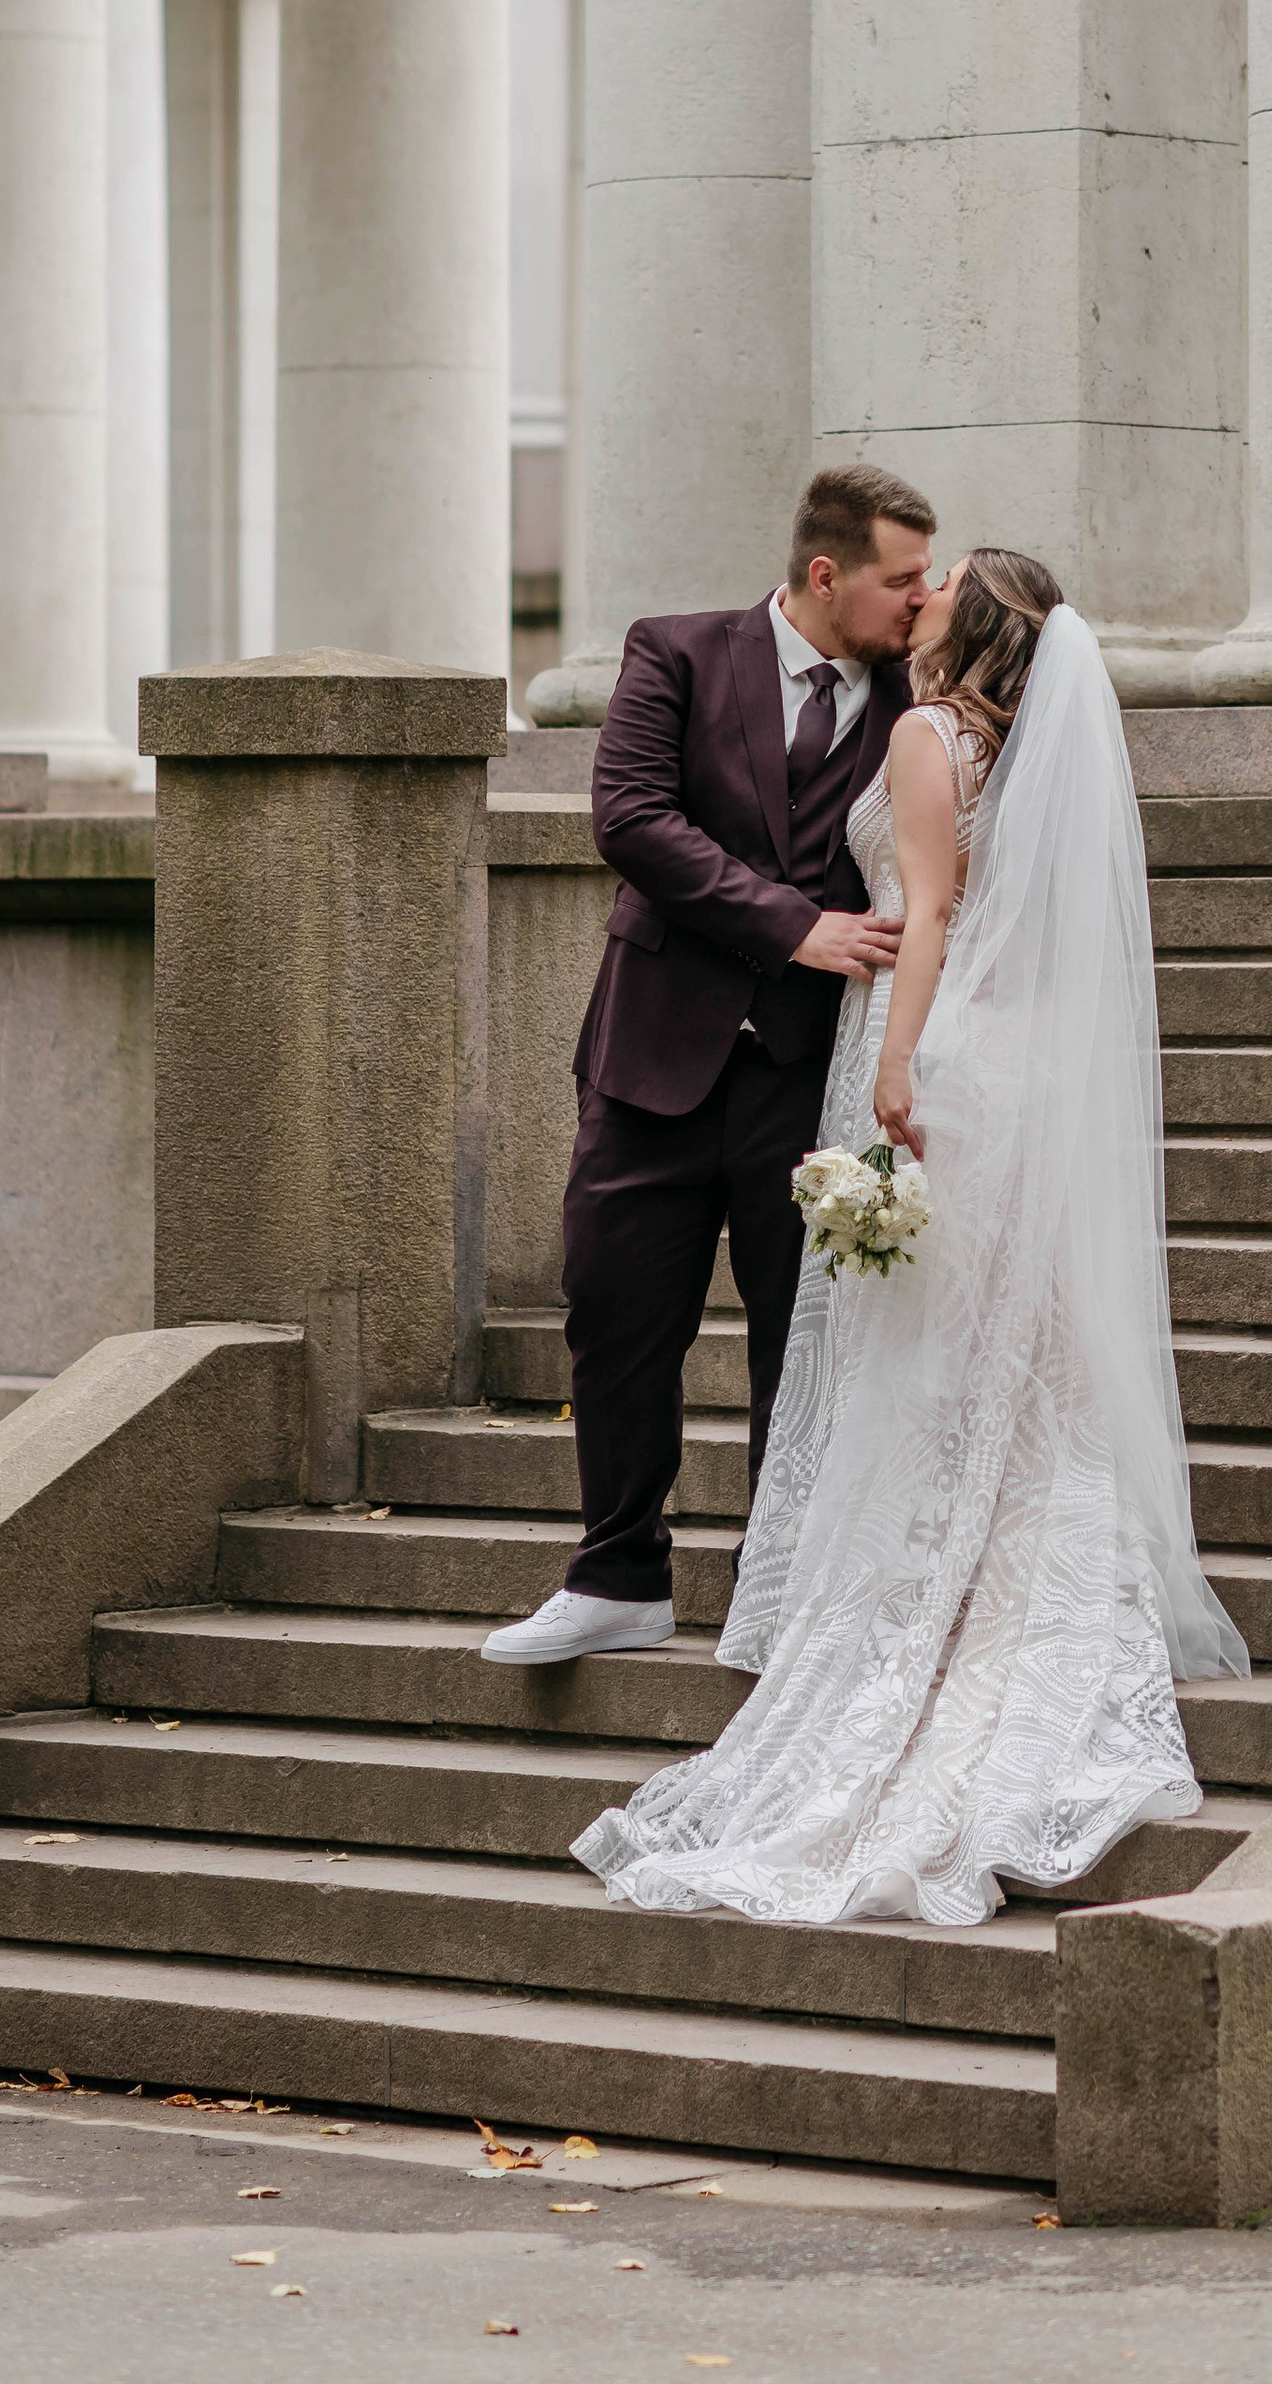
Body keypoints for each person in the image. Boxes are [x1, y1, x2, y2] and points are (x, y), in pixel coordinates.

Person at [571, 549, 1249, 1921]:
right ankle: (987, 1585)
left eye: (937, 589)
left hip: (932, 1044)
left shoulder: (929, 734)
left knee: (930, 1347)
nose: (916, 597)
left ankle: (922, 1608)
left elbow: (928, 908)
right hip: (1014, 1060)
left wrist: (900, 1062)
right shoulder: (1011, 748)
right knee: (996, 1348)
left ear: (973, 626)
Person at [480, 463, 937, 1666]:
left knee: (804, 1331)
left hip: (810, 1072)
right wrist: (796, 925)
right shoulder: (675, 653)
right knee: (617, 1314)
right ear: (824, 573)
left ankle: (775, 1582)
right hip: (652, 1053)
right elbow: (629, 817)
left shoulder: (914, 699)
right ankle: (615, 1572)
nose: (918, 598)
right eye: (901, 578)